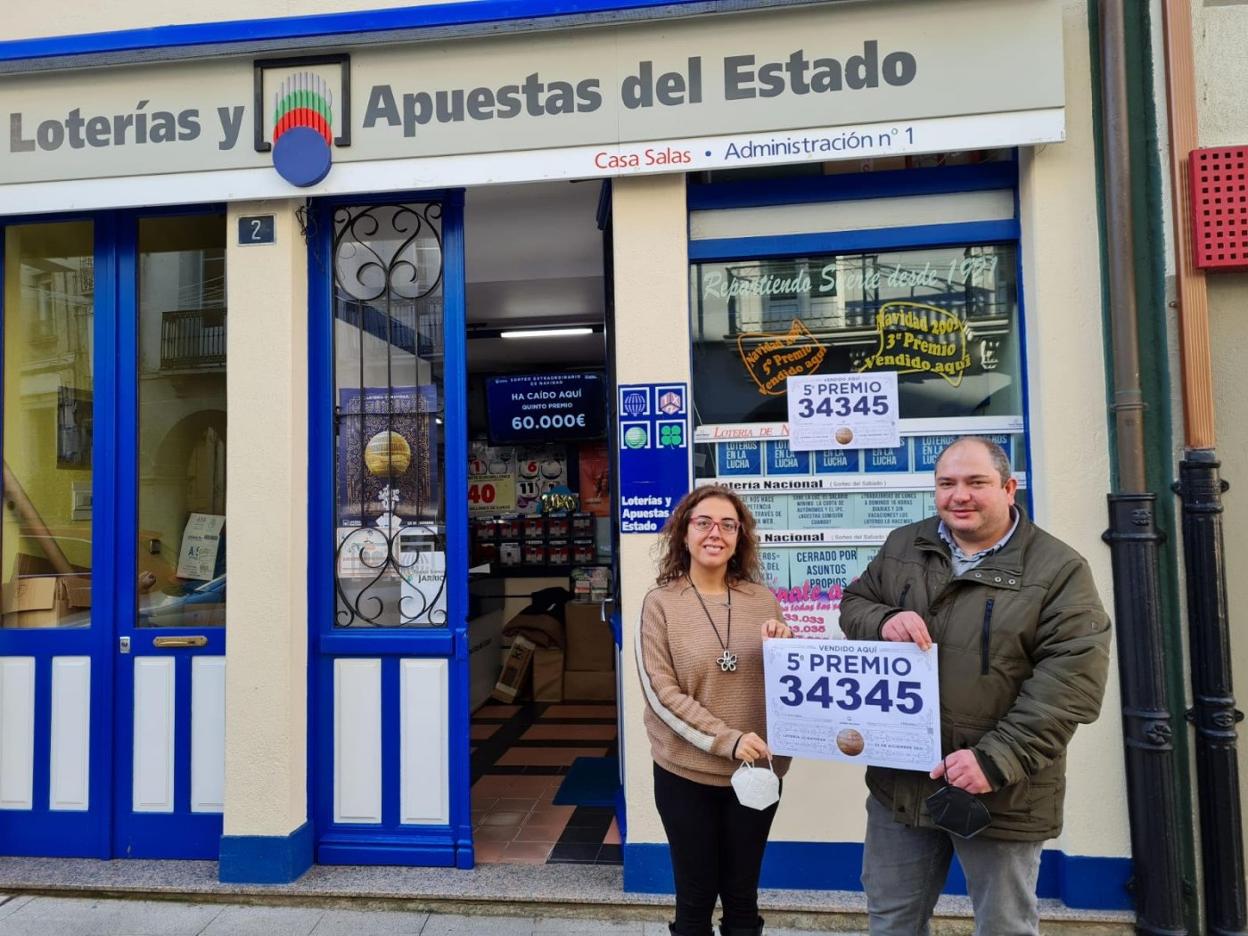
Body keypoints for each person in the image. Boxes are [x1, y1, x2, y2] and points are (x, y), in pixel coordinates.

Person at [839, 436, 1111, 936]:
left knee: (1005, 925)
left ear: (1009, 488)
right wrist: (883, 619)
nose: (959, 495)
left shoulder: (1059, 569)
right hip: (902, 783)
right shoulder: (903, 545)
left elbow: (1072, 682)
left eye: (976, 482)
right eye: (947, 483)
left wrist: (994, 760)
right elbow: (855, 603)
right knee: (892, 920)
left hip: (1000, 788)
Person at [636, 485, 794, 936]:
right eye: (703, 522)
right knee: (695, 898)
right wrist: (729, 740)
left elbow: (785, 683)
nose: (715, 533)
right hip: (685, 775)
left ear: (739, 537)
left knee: (742, 897)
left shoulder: (762, 601)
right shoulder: (660, 604)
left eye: (728, 525)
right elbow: (661, 693)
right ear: (683, 533)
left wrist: (785, 647)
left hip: (757, 773)